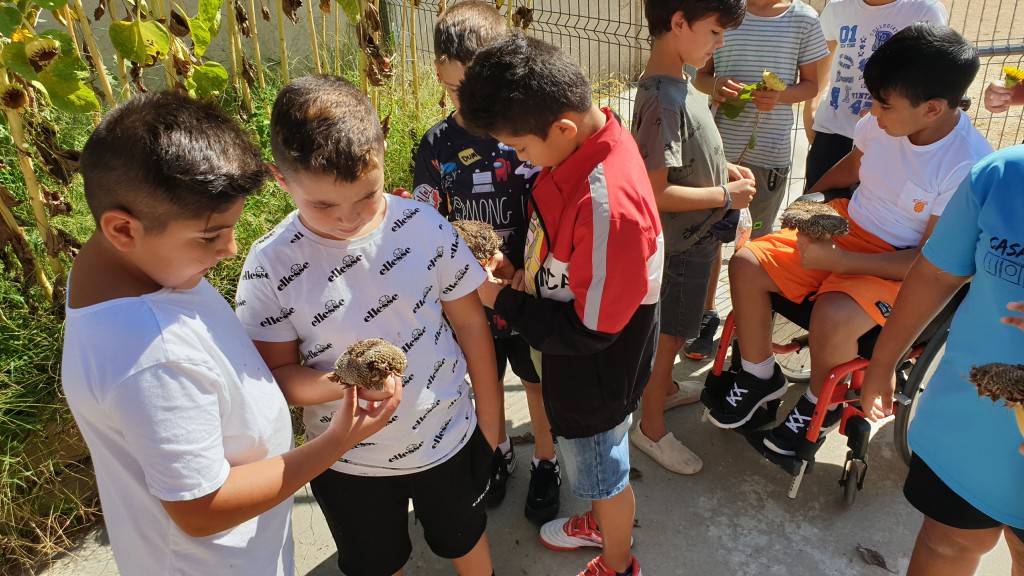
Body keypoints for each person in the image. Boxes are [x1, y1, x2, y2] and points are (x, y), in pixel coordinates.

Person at [60, 91, 399, 576]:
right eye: (211, 235)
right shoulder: (154, 358)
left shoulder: (134, 270)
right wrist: (340, 439)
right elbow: (202, 510)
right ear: (123, 230)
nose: (230, 249)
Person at [236, 75, 501, 576]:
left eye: (367, 196)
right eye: (322, 205)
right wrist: (347, 381)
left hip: (447, 437)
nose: (348, 219)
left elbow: (470, 324)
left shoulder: (425, 227)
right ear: (280, 179)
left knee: (466, 538)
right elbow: (279, 376)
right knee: (374, 562)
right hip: (345, 460)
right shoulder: (269, 264)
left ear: (381, 154)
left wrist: (491, 421)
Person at [706, 24, 993, 460]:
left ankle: (819, 405)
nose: (872, 112)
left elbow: (927, 263)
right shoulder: (880, 124)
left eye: (884, 104)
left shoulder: (966, 166)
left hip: (900, 262)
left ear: (932, 108)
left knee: (833, 316)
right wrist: (807, 204)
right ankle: (760, 374)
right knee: (746, 263)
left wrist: (840, 261)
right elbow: (852, 168)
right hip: (847, 225)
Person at [458, 33, 663, 576]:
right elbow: (566, 255)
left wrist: (501, 299)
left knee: (603, 472)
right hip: (584, 358)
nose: (518, 158)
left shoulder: (606, 205)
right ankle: (601, 519)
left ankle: (616, 560)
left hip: (594, 372)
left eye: (521, 149)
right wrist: (519, 274)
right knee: (599, 464)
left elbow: (590, 331)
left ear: (563, 128)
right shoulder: (586, 147)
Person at [413, 0, 559, 523]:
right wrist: (467, 273)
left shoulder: (524, 136)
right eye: (459, 90)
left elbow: (552, 210)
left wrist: (526, 268)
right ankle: (497, 452)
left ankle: (546, 461)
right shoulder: (435, 146)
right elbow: (429, 223)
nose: (472, 104)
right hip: (471, 298)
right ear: (439, 74)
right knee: (484, 377)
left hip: (528, 289)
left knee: (536, 382)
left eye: (481, 90)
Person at [860, 145, 1024, 576]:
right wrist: (883, 361)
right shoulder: (1002, 173)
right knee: (947, 541)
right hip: (971, 421)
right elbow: (937, 272)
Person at [628, 0, 751, 475]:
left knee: (678, 328)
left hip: (696, 238)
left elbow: (686, 157)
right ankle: (651, 427)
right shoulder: (662, 98)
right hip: (681, 245)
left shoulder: (682, 80)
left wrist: (724, 170)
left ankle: (665, 390)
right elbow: (655, 190)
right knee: (671, 335)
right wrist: (725, 193)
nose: (721, 43)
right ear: (679, 22)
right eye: (715, 31)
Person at [802, 0, 947, 192]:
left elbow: (932, 75)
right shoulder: (837, 8)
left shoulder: (925, 10)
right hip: (833, 129)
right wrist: (810, 106)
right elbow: (824, 58)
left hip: (889, 135)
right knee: (815, 205)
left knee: (872, 208)